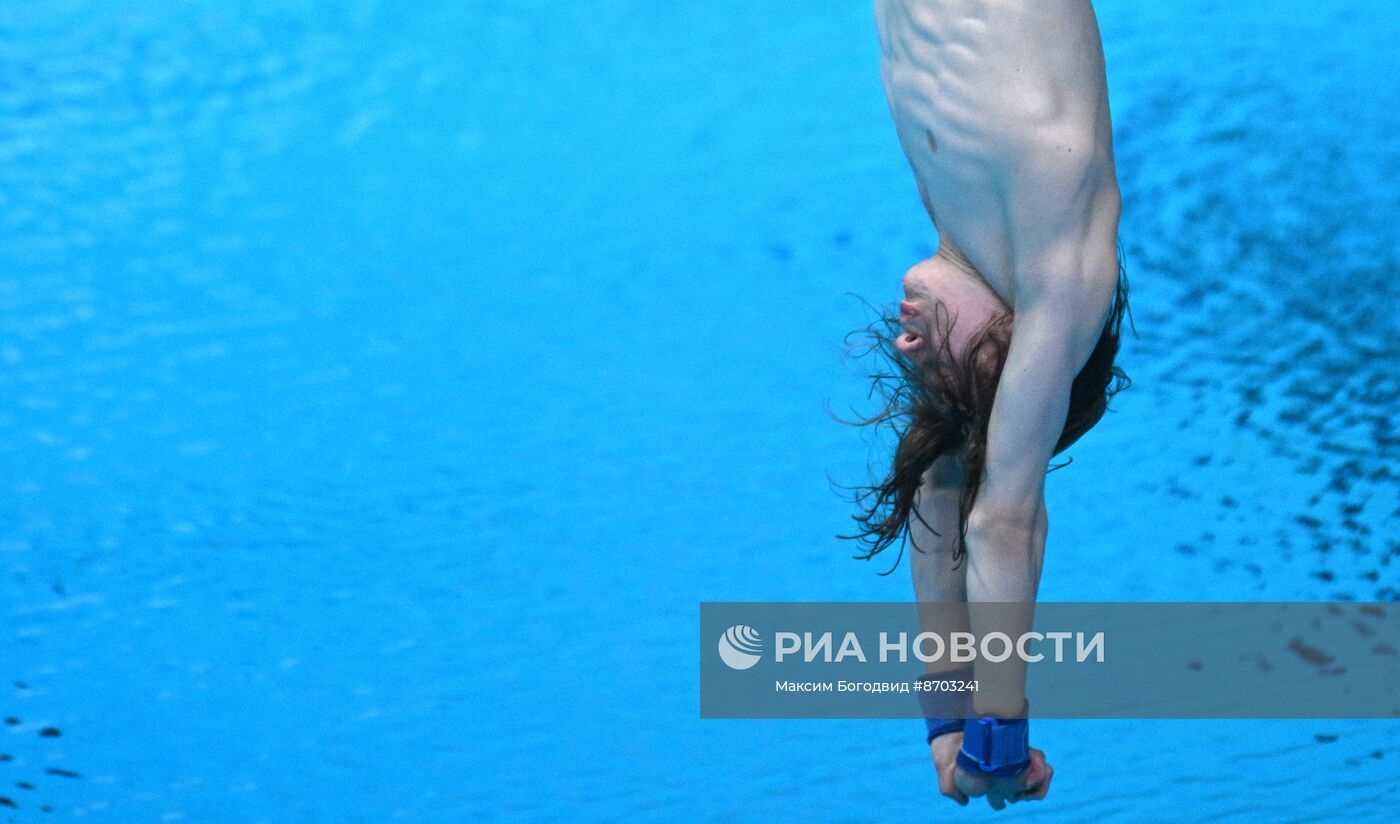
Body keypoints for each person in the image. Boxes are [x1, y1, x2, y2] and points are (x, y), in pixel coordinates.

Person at [852, 0, 1131, 810]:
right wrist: (996, 738)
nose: (904, 348)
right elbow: (1003, 521)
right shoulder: (1062, 270)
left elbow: (939, 487)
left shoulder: (965, 231)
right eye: (941, 378)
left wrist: (945, 726)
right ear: (1005, 357)